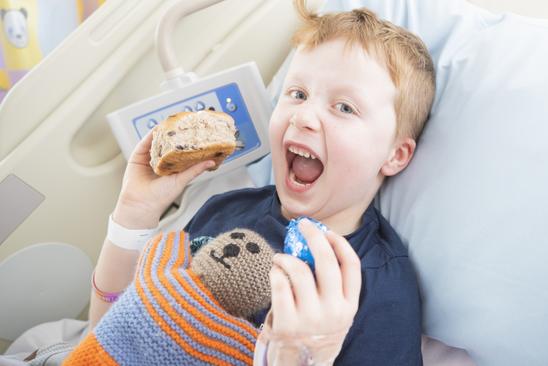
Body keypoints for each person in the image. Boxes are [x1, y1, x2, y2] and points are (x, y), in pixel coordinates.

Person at [89, 1, 435, 364]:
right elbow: (112, 339)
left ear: (395, 155)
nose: (303, 116)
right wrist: (134, 214)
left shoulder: (379, 288)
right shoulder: (224, 209)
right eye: (298, 94)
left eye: (345, 107)